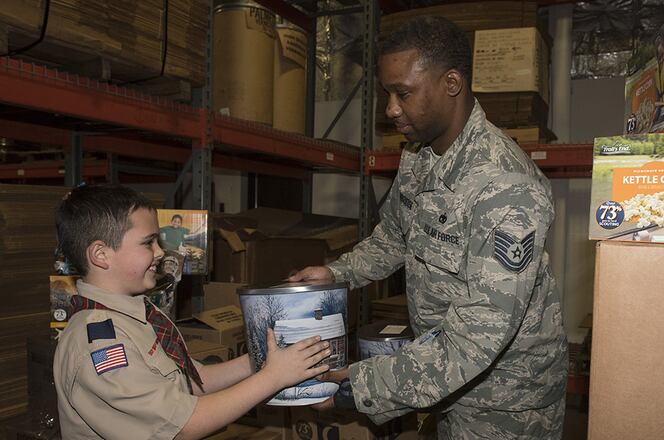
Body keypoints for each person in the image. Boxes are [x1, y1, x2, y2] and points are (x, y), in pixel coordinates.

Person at [289, 15, 567, 439]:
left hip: (505, 404)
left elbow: (478, 335)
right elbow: (394, 239)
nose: (390, 109)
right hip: (443, 381)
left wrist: (357, 388)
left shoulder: (505, 187)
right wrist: (337, 274)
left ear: (451, 83)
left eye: (403, 93)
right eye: (387, 93)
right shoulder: (420, 156)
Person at [53, 184, 331, 439]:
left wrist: (260, 360)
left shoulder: (135, 316)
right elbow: (186, 424)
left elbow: (194, 383)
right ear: (101, 255)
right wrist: (273, 377)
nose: (161, 253)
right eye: (148, 242)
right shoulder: (101, 344)